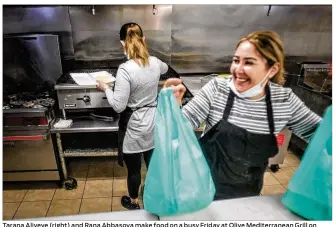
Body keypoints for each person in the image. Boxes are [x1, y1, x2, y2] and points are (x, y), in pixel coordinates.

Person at [164, 30, 322, 200]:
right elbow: (178, 130)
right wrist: (173, 107)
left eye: (249, 62)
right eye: (236, 60)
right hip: (203, 189)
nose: (238, 69)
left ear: (272, 69)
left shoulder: (283, 101)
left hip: (248, 195)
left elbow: (323, 136)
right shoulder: (218, 89)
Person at [96, 22, 168, 209]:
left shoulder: (125, 69)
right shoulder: (155, 62)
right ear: (144, 39)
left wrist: (106, 88)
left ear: (122, 43)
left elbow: (119, 107)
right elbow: (165, 69)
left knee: (134, 170)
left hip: (134, 127)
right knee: (152, 165)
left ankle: (134, 201)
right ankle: (154, 196)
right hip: (152, 122)